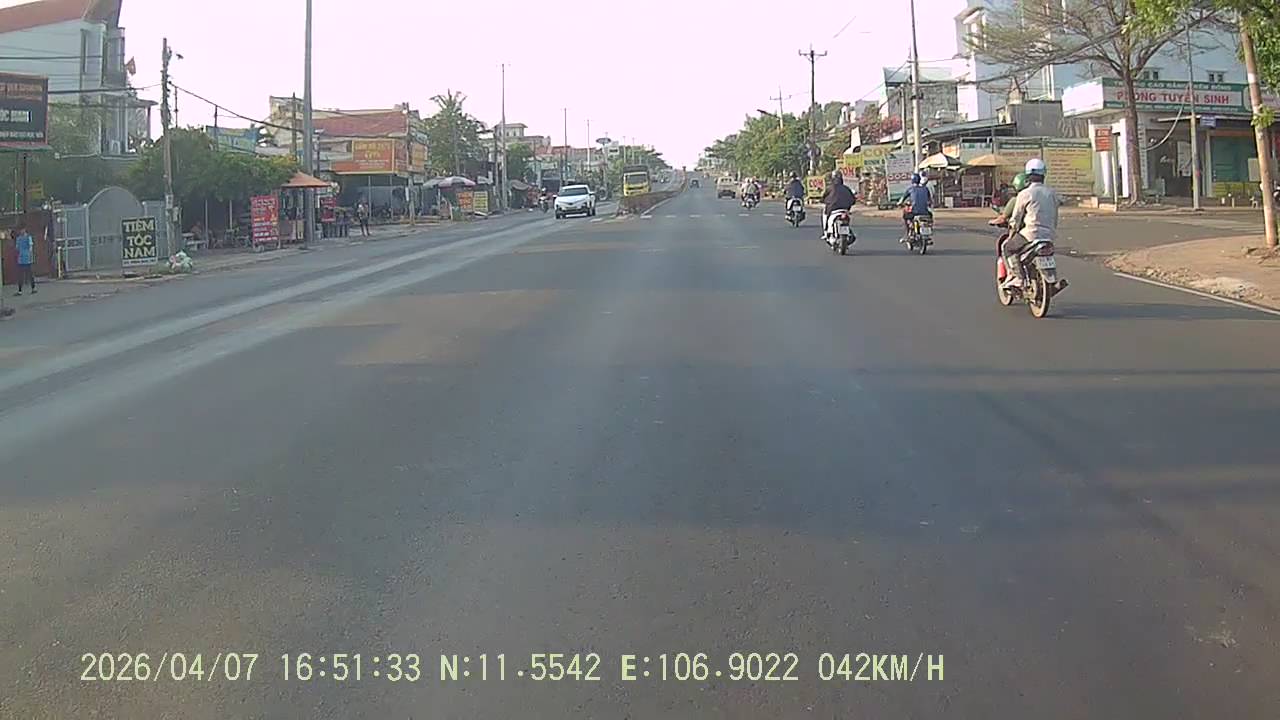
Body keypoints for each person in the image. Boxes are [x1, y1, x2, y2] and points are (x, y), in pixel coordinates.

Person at [1002, 158, 1060, 289]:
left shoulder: (1025, 193)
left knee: (1008, 247)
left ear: (1028, 176)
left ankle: (1018, 277)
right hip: (1049, 235)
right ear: (1043, 175)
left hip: (1031, 234)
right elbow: (1055, 216)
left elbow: (1015, 218)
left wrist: (1013, 229)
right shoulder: (1052, 193)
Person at [820, 170, 856, 239]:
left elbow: (823, 197)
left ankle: (826, 232)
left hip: (832, 209)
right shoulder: (846, 188)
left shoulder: (830, 188)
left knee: (825, 214)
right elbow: (853, 200)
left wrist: (823, 201)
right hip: (844, 209)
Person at [898, 172, 933, 242]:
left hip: (914, 212)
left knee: (905, 216)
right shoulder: (925, 189)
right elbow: (930, 201)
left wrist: (899, 203)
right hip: (925, 212)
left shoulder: (910, 189)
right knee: (930, 216)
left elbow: (903, 198)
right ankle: (929, 229)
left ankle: (908, 233)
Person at [14, 225, 35, 295]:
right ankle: (20, 290)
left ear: (25, 229)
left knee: (30, 275)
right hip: (21, 259)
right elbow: (17, 248)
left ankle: (33, 288)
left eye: (22, 229)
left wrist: (30, 255)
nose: (21, 231)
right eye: (20, 230)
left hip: (27, 259)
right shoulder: (19, 238)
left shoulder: (28, 237)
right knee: (21, 276)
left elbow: (30, 247)